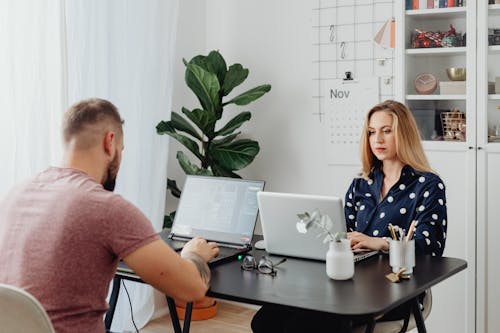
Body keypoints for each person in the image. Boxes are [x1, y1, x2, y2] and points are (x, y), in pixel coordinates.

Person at [0, 98, 219, 333]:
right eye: (122, 151)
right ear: (110, 142)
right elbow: (191, 289)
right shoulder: (105, 207)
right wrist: (193, 254)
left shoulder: (15, 195)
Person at [250, 100, 447, 333]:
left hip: (395, 290)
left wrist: (382, 243)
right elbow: (342, 233)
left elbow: (430, 247)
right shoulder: (361, 183)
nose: (378, 140)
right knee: (267, 320)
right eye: (372, 132)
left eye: (387, 131)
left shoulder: (428, 185)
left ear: (404, 133)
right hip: (348, 283)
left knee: (304, 325)